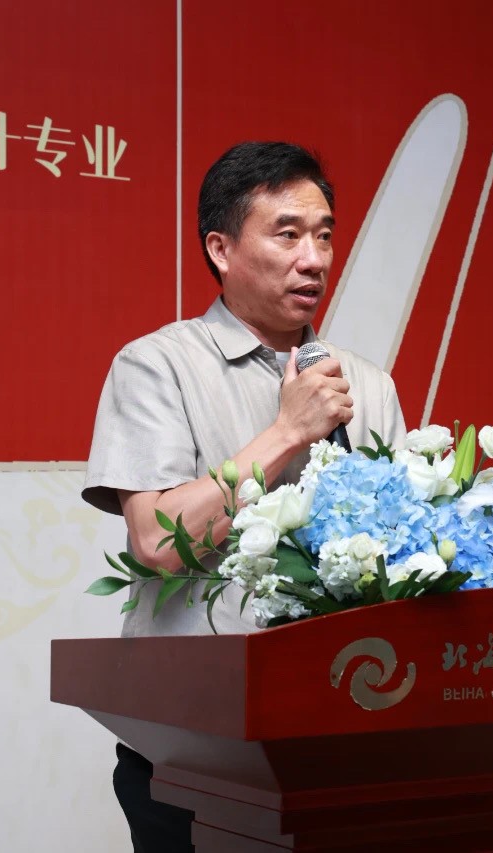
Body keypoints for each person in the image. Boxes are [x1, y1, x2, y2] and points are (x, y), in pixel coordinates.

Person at [81, 141, 406, 852]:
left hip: (339, 745)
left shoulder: (368, 384)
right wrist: (288, 431)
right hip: (195, 754)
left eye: (324, 236)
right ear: (221, 249)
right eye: (288, 234)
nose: (314, 259)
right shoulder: (157, 366)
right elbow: (157, 542)